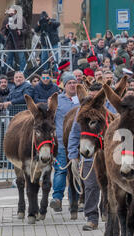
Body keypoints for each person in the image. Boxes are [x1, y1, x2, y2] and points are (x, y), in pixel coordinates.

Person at [67, 83, 109, 230]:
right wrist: (73, 155)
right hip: (90, 156)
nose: (93, 96)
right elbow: (74, 134)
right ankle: (92, 217)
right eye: (91, 93)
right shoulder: (82, 111)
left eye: (96, 93)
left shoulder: (109, 108)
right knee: (91, 186)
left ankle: (108, 213)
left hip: (108, 156)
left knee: (109, 186)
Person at [50, 73, 80, 215]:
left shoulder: (81, 99)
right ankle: (57, 199)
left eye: (75, 82)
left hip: (78, 143)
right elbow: (50, 119)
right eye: (70, 83)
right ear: (64, 85)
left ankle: (75, 202)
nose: (73, 85)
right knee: (61, 170)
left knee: (76, 173)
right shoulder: (57, 100)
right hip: (61, 142)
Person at [0, 6, 29, 72]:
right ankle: (9, 73)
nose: (11, 13)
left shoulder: (20, 18)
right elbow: (2, 31)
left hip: (19, 43)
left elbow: (26, 29)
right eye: (10, 11)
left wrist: (20, 32)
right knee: (9, 59)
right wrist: (6, 28)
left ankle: (23, 74)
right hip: (10, 43)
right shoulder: (6, 19)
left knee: (22, 59)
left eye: (12, 11)